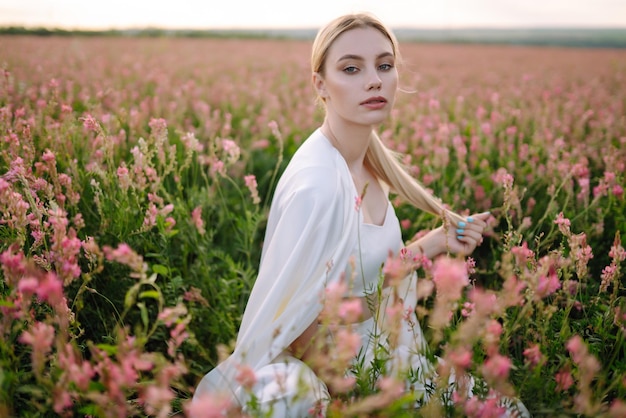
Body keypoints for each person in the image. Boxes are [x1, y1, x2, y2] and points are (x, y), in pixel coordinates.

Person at [193, 12, 528, 417]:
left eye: (384, 66)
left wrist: (430, 245)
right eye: (351, 68)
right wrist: (364, 399)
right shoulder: (318, 184)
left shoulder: (365, 161)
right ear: (321, 84)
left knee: (507, 409)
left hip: (378, 359)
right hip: (332, 374)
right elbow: (298, 330)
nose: (374, 80)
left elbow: (361, 277)